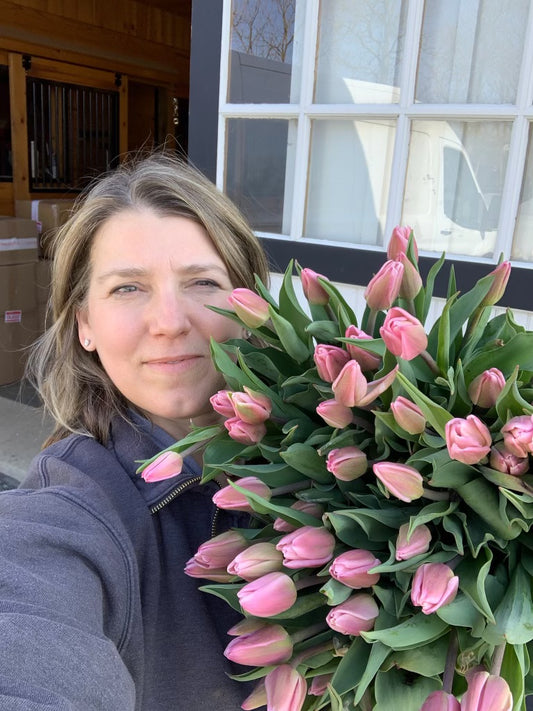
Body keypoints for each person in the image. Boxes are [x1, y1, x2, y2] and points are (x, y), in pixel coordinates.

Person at [0, 152, 270, 710]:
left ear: (253, 308)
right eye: (127, 288)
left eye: (202, 281)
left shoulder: (335, 460)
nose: (170, 321)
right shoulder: (74, 506)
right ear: (85, 325)